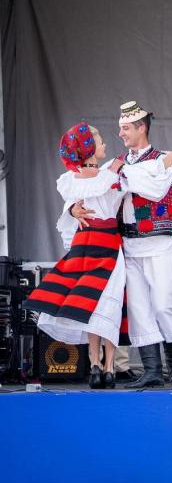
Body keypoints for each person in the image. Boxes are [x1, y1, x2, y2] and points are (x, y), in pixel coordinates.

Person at [72, 101, 172, 388]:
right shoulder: (131, 163)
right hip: (129, 245)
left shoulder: (160, 160)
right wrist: (74, 208)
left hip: (158, 243)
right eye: (120, 128)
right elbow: (96, 191)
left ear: (141, 127)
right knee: (139, 309)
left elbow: (156, 189)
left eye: (125, 128)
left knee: (163, 304)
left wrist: (124, 174)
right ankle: (152, 370)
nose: (120, 134)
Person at [24, 123, 127, 389]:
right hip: (104, 244)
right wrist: (72, 210)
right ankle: (106, 366)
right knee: (106, 304)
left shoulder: (79, 178)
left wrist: (72, 210)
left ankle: (98, 365)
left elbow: (73, 207)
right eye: (100, 140)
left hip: (88, 245)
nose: (104, 144)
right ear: (90, 147)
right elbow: (80, 205)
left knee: (93, 304)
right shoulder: (107, 174)